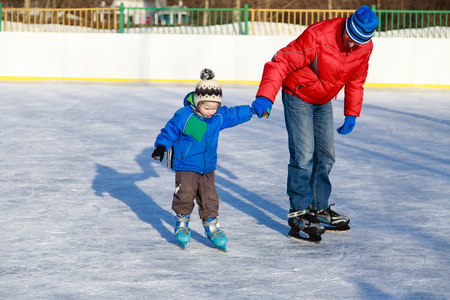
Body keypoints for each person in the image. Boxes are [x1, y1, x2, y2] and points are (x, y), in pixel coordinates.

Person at [251, 6, 379, 242]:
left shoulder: (364, 47)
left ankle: (318, 209)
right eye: (351, 38)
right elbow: (281, 62)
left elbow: (356, 80)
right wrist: (265, 96)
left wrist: (352, 112)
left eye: (359, 42)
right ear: (347, 26)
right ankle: (299, 211)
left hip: (323, 99)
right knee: (304, 155)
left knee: (326, 155)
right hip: (298, 94)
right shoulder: (319, 36)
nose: (352, 45)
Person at [152, 69, 253, 251]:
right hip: (186, 164)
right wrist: (161, 147)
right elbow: (169, 131)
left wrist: (252, 110)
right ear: (198, 102)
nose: (211, 112)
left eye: (215, 108)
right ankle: (182, 223)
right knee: (186, 193)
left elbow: (234, 114)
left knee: (210, 196)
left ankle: (211, 225)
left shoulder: (217, 116)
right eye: (207, 108)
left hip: (207, 166)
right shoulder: (185, 116)